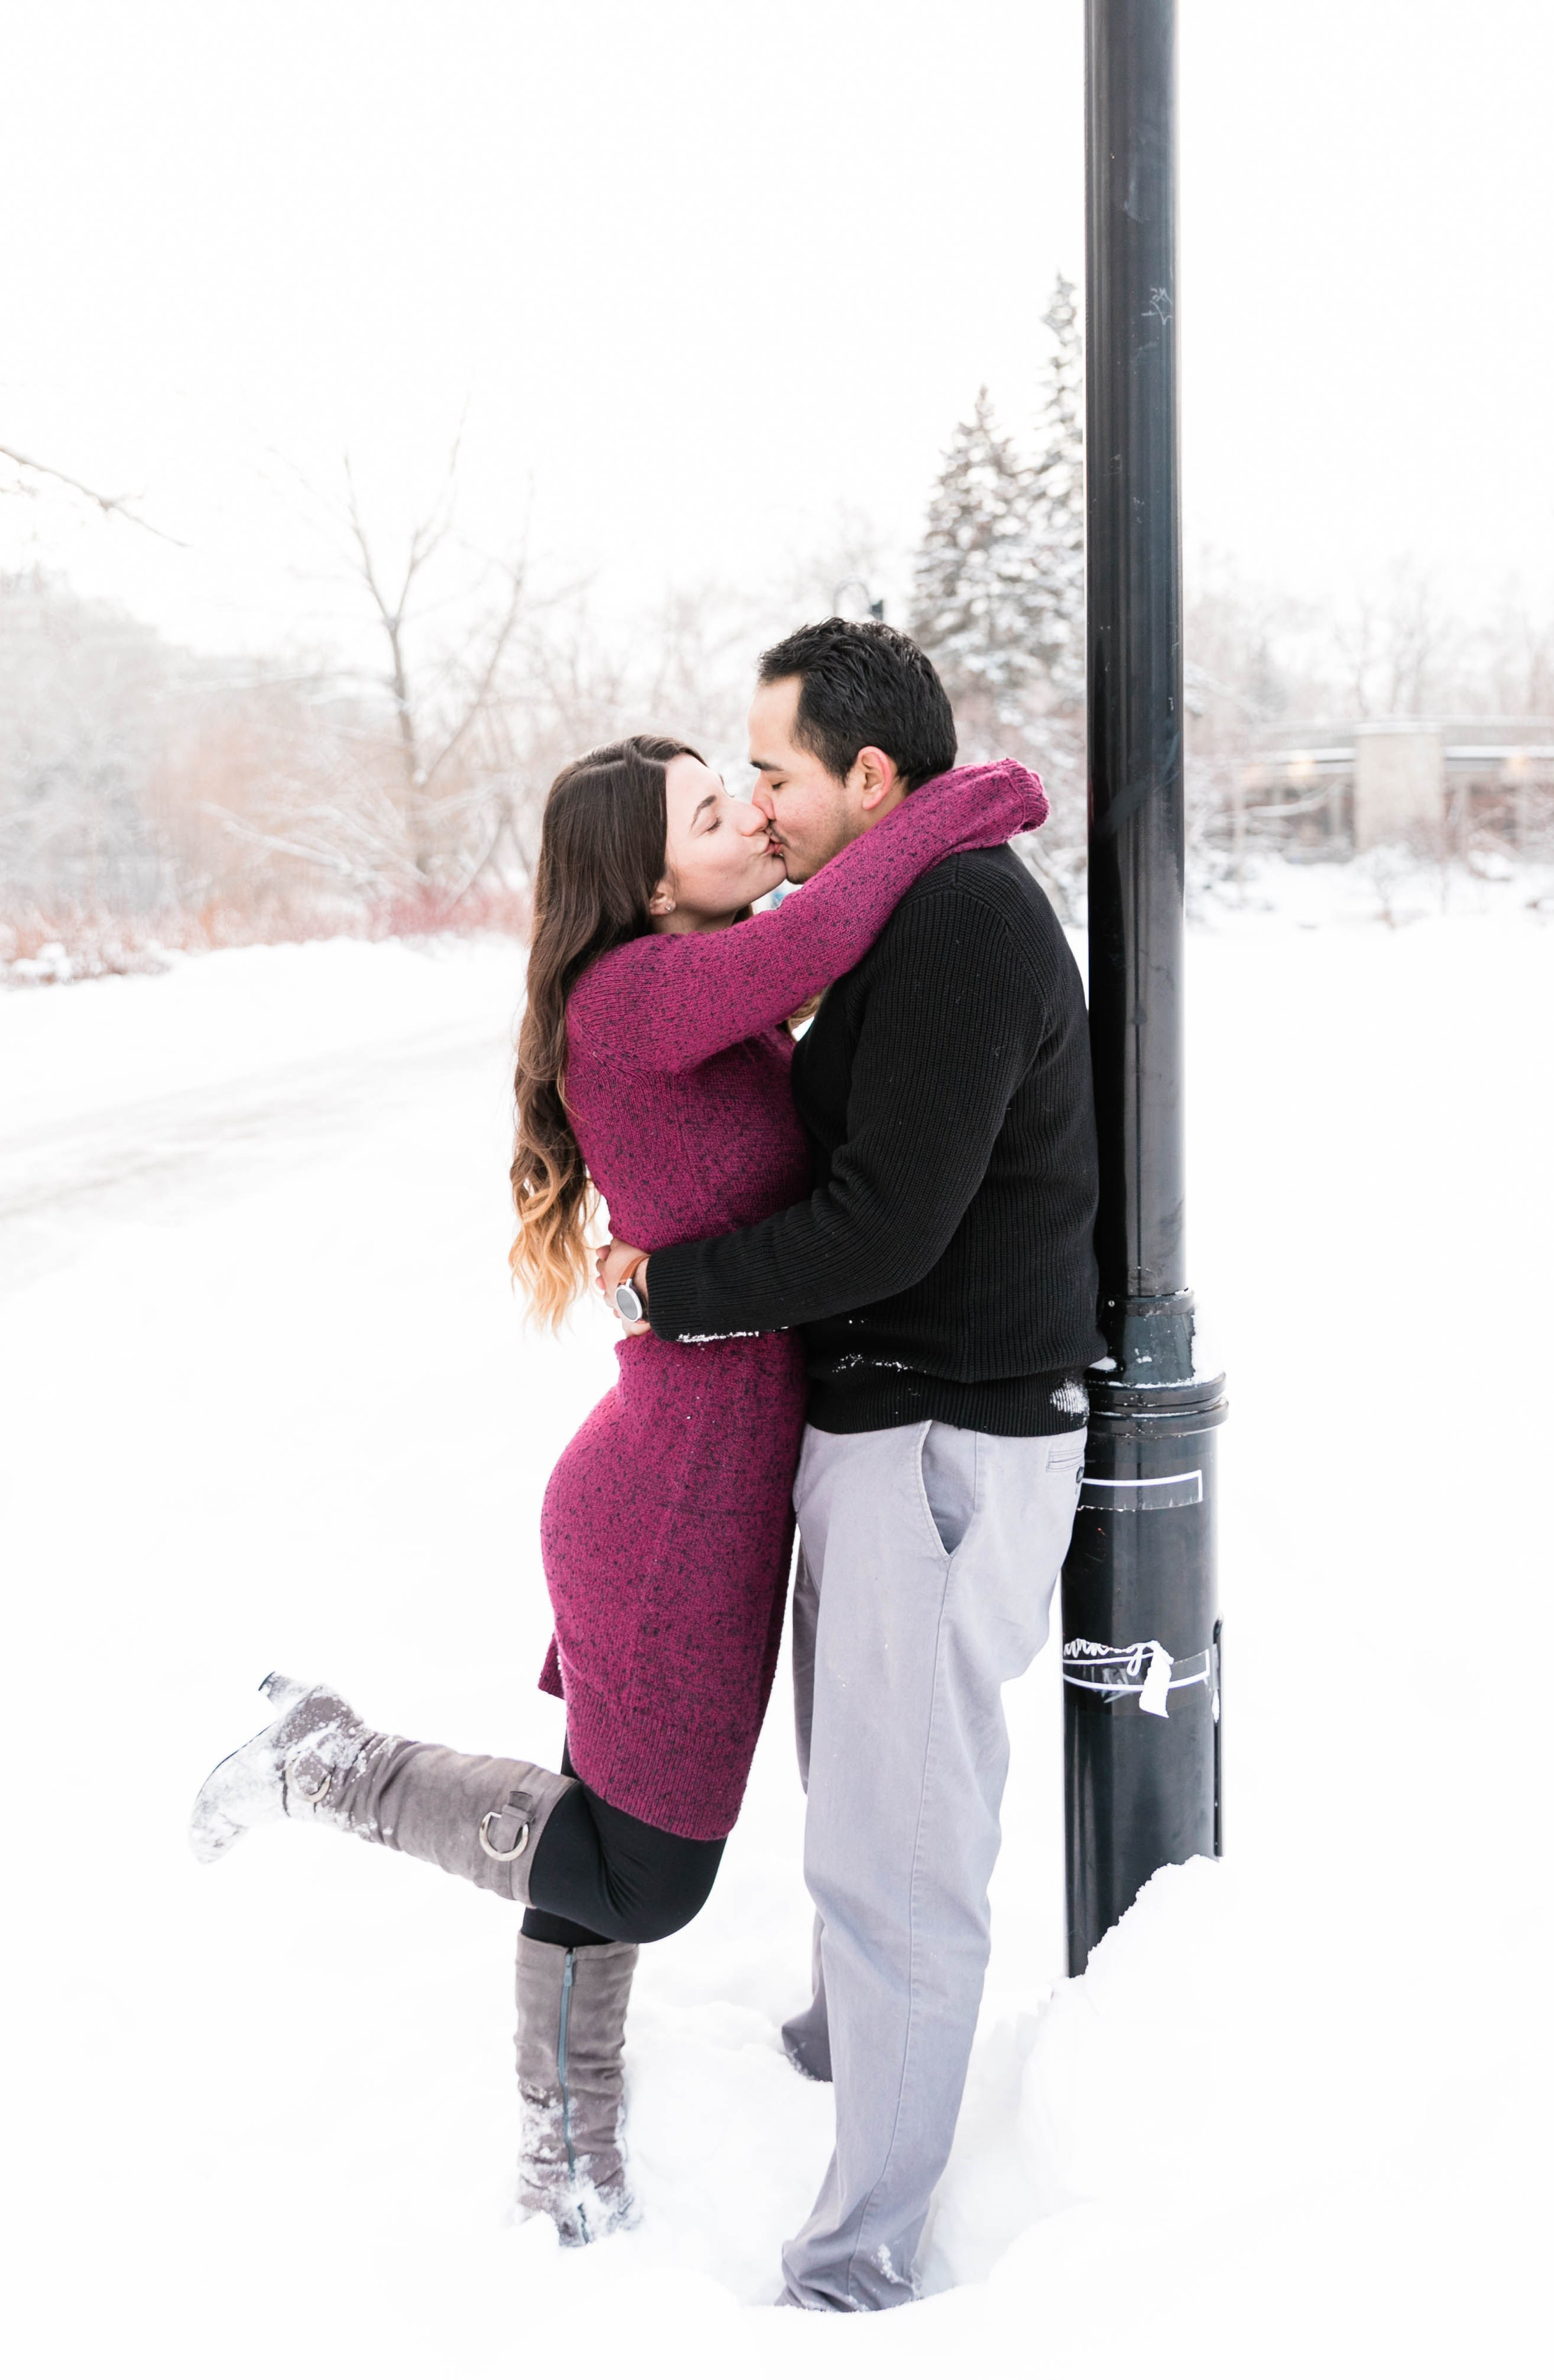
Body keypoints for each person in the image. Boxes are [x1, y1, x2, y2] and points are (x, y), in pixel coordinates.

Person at [187, 727, 1044, 2250]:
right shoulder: (638, 992)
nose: (748, 822)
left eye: (738, 793)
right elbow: (833, 926)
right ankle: (336, 1763)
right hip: (670, 1510)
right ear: (646, 884)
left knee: (610, 1837)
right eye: (713, 813)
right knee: (646, 1873)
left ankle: (564, 2152)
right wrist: (965, 802)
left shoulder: (687, 1008)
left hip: (695, 1481)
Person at [600, 620, 1103, 2312]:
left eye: (779, 774)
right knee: (865, 1799)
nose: (761, 804)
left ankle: (864, 2255)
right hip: (898, 1440)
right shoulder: (912, 905)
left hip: (945, 1441)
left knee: (900, 1851)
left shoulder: (958, 920)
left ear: (870, 778)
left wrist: (678, 1291)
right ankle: (852, 2044)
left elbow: (885, 1228)